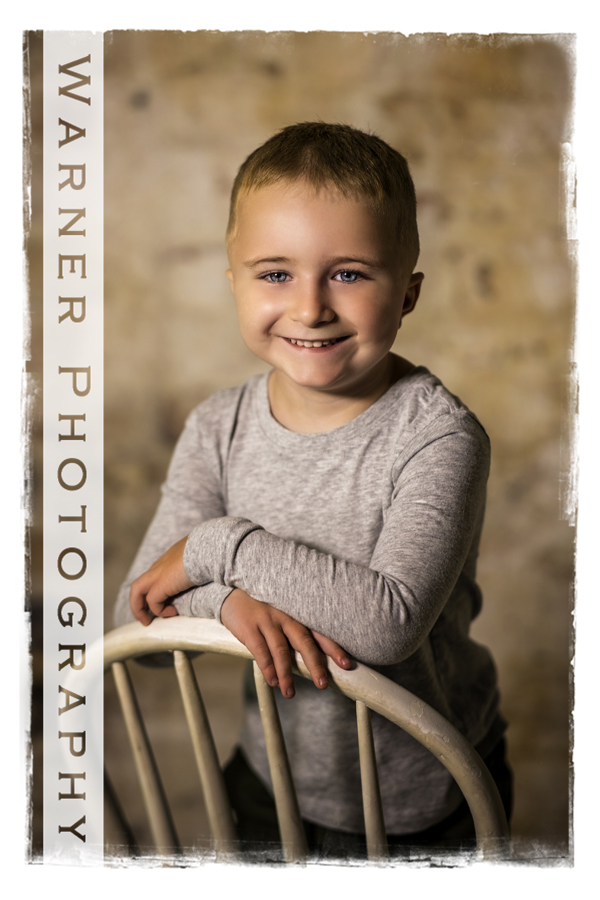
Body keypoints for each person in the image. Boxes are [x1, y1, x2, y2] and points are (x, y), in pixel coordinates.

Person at [114, 122, 512, 861]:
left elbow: (387, 625)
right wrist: (228, 600)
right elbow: (135, 615)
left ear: (409, 292)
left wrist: (215, 550)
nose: (310, 307)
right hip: (270, 779)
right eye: (274, 273)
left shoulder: (439, 437)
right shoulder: (218, 428)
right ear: (233, 280)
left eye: (351, 273)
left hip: (427, 797)